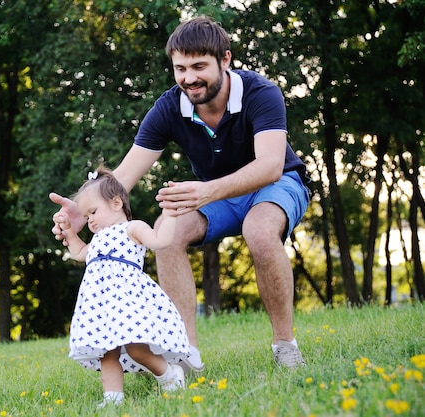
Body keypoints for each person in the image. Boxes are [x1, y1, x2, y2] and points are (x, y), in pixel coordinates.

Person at [50, 16, 310, 369]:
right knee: (166, 235)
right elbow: (122, 177)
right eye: (180, 68)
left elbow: (270, 165)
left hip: (275, 185)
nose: (189, 78)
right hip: (213, 195)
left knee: (259, 230)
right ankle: (185, 352)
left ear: (225, 60)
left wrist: (208, 190)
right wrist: (85, 210)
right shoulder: (170, 107)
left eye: (199, 66)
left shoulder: (260, 93)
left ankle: (284, 345)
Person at [53, 165, 190, 407]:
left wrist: (169, 216)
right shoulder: (96, 239)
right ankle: (113, 399)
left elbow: (160, 241)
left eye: (93, 212)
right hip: (103, 306)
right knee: (107, 353)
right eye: (86, 217)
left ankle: (169, 374)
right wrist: (69, 234)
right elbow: (80, 253)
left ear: (116, 203)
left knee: (136, 349)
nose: (90, 220)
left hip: (128, 301)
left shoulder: (132, 228)